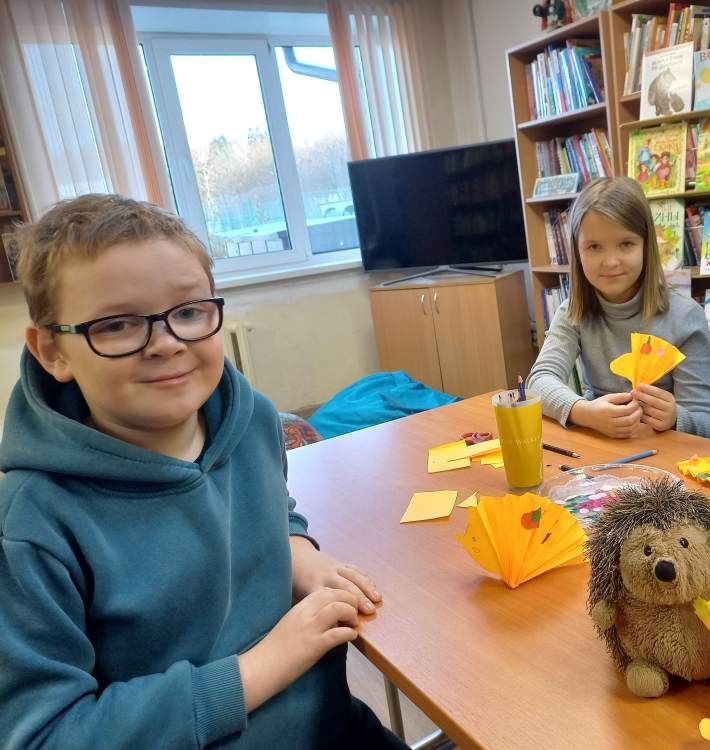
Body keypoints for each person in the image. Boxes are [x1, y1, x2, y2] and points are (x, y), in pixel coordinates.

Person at [0, 194, 407, 748]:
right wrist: (264, 665)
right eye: (117, 325)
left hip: (330, 727)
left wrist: (298, 553)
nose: (167, 343)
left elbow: (273, 508)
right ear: (53, 351)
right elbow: (45, 736)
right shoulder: (32, 524)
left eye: (189, 312)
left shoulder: (254, 419)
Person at [527, 176, 710, 440]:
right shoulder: (573, 311)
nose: (611, 261)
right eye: (594, 247)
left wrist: (676, 417)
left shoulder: (685, 316)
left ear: (646, 246)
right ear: (578, 252)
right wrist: (584, 411)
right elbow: (539, 381)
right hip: (602, 447)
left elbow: (709, 424)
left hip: (667, 452)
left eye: (626, 244)